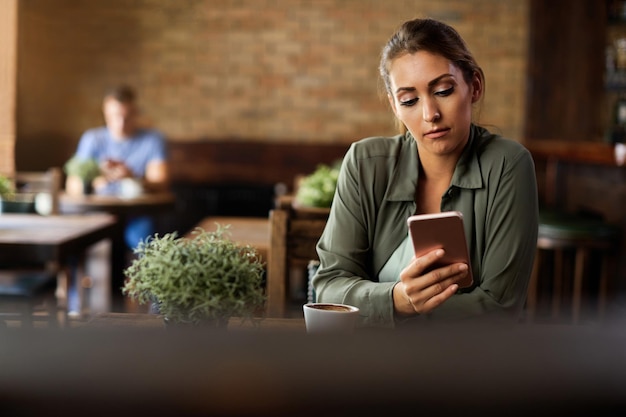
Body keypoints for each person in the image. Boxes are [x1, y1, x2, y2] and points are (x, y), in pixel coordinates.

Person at [312, 18, 538, 328]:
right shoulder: (365, 162)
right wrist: (397, 301)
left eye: (443, 90)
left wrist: (388, 309)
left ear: (474, 87)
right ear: (394, 106)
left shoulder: (508, 165)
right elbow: (329, 286)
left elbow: (500, 306)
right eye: (409, 100)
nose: (429, 114)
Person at [66, 84, 170, 249]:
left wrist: (132, 178)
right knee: (73, 242)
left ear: (135, 113)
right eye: (115, 116)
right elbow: (72, 186)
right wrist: (98, 178)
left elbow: (161, 183)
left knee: (147, 245)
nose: (120, 123)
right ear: (105, 113)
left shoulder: (152, 139)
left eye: (126, 117)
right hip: (96, 215)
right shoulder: (92, 139)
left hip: (136, 215)